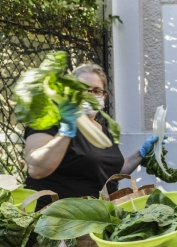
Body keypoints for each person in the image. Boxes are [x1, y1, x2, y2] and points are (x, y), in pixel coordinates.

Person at [24, 63, 161, 209]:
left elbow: (109, 171)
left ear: (104, 96)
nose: (90, 95)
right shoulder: (47, 121)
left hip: (97, 217)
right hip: (57, 219)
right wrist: (65, 132)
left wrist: (141, 154)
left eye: (96, 91)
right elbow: (36, 169)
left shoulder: (103, 131)